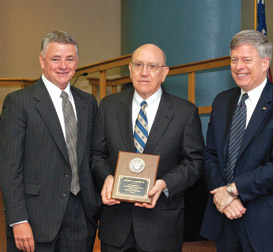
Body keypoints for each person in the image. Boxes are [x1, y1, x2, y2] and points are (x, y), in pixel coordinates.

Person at [91, 43, 204, 252]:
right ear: (130, 69)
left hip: (161, 226)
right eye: (139, 65)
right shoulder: (108, 106)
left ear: (164, 73)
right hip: (116, 226)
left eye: (152, 66)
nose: (144, 72)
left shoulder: (185, 112)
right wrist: (107, 178)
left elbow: (194, 163)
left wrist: (164, 184)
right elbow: (97, 155)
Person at [200, 29, 273, 251]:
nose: (239, 66)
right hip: (225, 219)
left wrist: (233, 190)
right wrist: (223, 196)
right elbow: (210, 156)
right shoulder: (221, 102)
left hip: (269, 225)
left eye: (247, 60)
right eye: (234, 60)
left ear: (265, 63)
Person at [0, 31, 100, 252]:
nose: (63, 66)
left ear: (77, 62)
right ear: (42, 60)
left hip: (81, 216)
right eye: (55, 59)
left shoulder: (88, 103)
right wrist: (18, 220)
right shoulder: (19, 103)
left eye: (70, 59)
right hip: (35, 216)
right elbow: (9, 168)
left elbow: (94, 155)